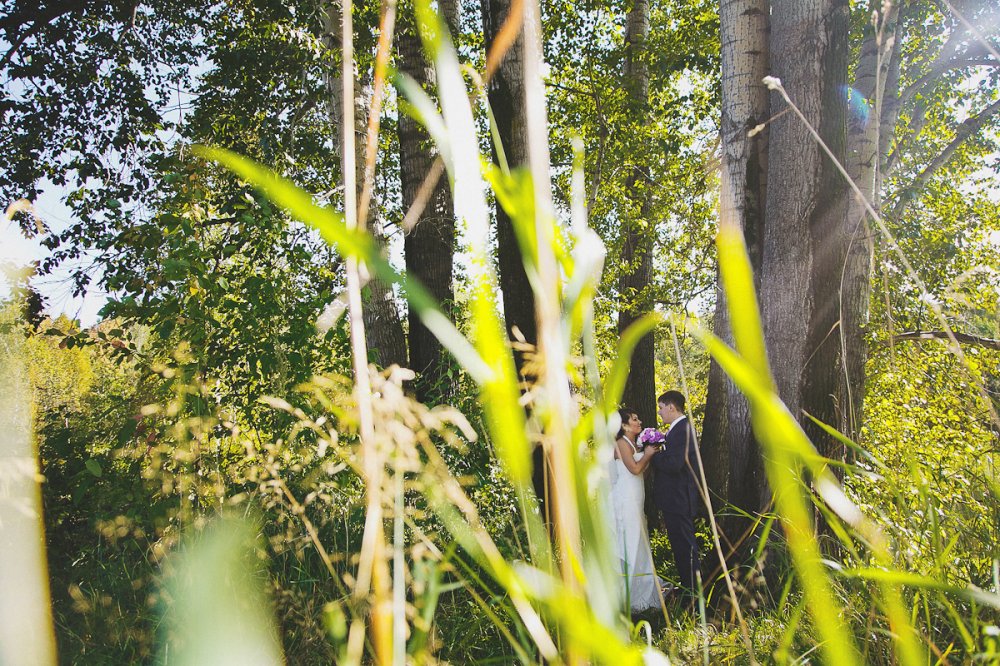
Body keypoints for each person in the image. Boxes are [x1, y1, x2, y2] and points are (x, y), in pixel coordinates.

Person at [608, 407, 666, 613]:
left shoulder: (634, 444)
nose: (639, 421)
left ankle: (640, 590)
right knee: (630, 540)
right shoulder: (621, 443)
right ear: (624, 425)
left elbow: (642, 473)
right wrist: (648, 455)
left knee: (639, 540)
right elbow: (634, 469)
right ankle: (626, 594)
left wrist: (647, 454)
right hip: (625, 500)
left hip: (636, 499)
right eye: (634, 419)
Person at [650, 390, 703, 603]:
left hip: (679, 500)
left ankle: (693, 595)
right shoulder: (678, 429)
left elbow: (674, 464)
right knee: (681, 548)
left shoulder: (682, 429)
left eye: (661, 408)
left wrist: (653, 455)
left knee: (685, 549)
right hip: (676, 500)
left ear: (672, 407)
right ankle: (689, 590)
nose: (660, 412)